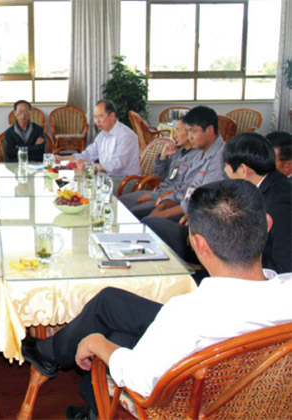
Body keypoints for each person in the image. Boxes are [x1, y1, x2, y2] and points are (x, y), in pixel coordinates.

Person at [21, 179, 292, 419]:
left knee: (112, 338)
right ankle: (86, 398)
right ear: (267, 224)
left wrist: (95, 342)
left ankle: (85, 392)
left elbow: (139, 379)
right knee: (111, 302)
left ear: (199, 244)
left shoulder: (185, 313)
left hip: (196, 403)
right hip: (258, 394)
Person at [222, 133, 291, 273]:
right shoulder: (265, 183)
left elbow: (286, 264)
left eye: (226, 165)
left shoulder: (278, 202)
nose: (224, 170)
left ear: (243, 170)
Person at [144, 105, 225, 222]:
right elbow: (183, 187)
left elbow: (203, 199)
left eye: (192, 131)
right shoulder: (200, 152)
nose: (190, 137)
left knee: (147, 221)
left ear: (209, 130)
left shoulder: (220, 157)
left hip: (199, 218)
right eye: (187, 131)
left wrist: (164, 213)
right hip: (179, 202)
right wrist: (164, 204)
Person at [119, 119, 200, 219]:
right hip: (159, 192)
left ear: (189, 133)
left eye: (178, 130)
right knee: (119, 203)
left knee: (131, 213)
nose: (175, 135)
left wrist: (155, 196)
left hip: (168, 199)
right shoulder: (178, 152)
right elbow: (160, 176)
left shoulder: (197, 157)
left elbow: (182, 189)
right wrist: (163, 157)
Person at [71, 100, 139, 176]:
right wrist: (62, 158)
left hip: (125, 178)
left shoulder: (125, 135)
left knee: (84, 178)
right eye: (95, 117)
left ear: (112, 116)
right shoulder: (102, 135)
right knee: (76, 177)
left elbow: (117, 164)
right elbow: (87, 154)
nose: (97, 121)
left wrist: (91, 167)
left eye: (100, 116)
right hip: (108, 176)